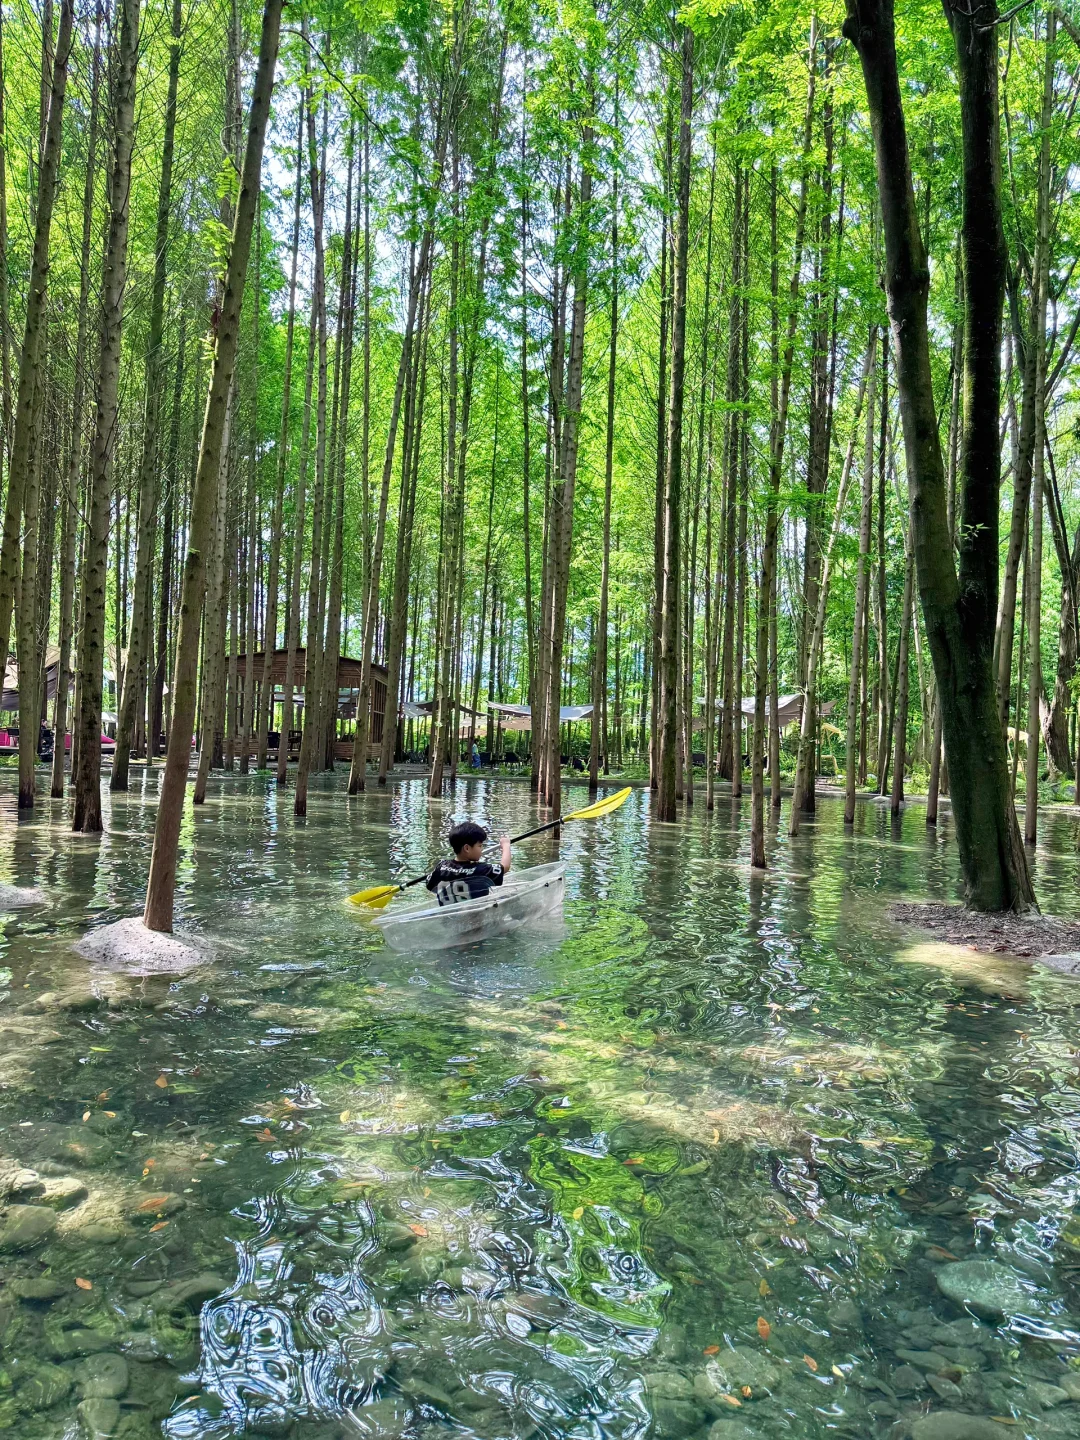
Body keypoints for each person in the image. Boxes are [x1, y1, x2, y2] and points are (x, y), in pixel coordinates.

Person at [426, 821, 511, 907]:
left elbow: (429, 884)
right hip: (477, 919)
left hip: (449, 918)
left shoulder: (441, 867)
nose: (482, 849)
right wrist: (506, 845)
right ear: (467, 848)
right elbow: (505, 866)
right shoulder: (481, 869)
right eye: (480, 845)